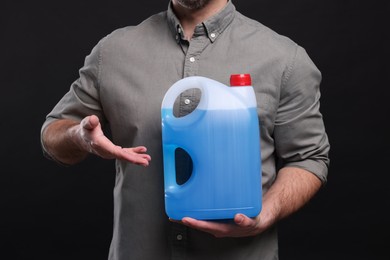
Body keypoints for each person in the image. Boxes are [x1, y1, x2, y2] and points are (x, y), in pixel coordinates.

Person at [40, 0, 330, 259]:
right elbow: (53, 132)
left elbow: (309, 158)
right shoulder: (113, 52)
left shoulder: (284, 59)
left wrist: (266, 214)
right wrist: (80, 137)